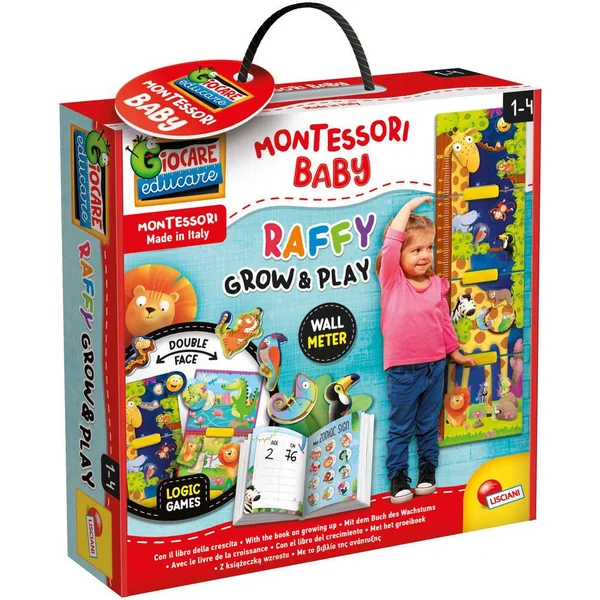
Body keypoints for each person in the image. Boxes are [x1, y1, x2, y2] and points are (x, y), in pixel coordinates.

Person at [376, 196, 476, 504]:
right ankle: (397, 476)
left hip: (435, 366)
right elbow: (391, 243)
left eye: (429, 248)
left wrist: (454, 351)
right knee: (401, 427)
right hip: (403, 371)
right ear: (399, 255)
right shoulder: (392, 281)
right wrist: (406, 210)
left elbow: (443, 321)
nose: (424, 256)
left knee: (428, 425)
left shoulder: (436, 285)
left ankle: (427, 471)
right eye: (416, 249)